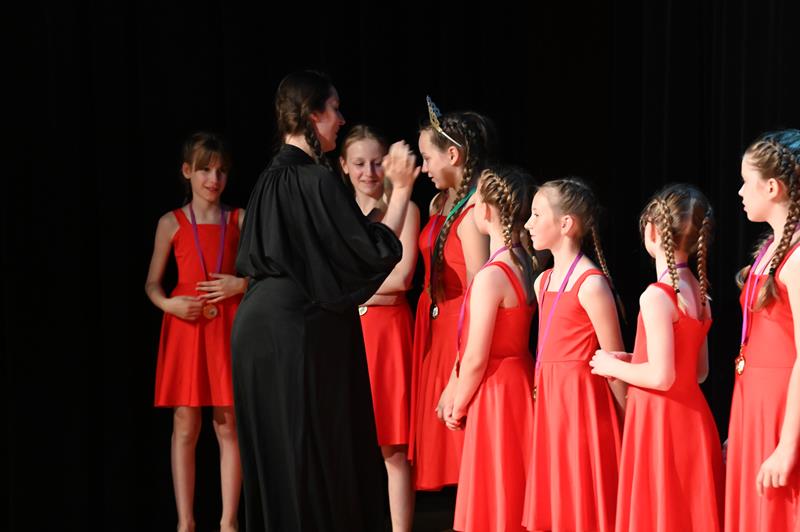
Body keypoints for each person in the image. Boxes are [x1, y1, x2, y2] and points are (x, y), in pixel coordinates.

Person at [231, 70, 419, 531]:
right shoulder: (314, 178)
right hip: (296, 329)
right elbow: (370, 253)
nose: (341, 118)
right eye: (334, 109)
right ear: (313, 114)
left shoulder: (267, 179)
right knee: (312, 452)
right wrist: (402, 190)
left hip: (255, 328)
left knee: (278, 456)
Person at [590, 183, 723, 531]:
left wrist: (611, 365)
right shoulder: (701, 295)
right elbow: (697, 372)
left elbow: (662, 377)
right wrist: (633, 358)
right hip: (694, 421)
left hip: (661, 423)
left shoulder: (656, 296)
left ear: (652, 230)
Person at [144, 131, 245, 532]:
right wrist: (168, 304)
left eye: (221, 171)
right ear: (187, 171)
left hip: (226, 326)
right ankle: (185, 522)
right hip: (186, 327)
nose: (213, 179)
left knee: (228, 423)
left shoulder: (239, 219)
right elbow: (152, 284)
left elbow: (266, 273)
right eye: (205, 170)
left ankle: (228, 522)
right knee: (186, 424)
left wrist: (240, 283)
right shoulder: (171, 222)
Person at [521, 177, 626, 532]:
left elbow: (614, 361)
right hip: (552, 405)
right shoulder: (542, 281)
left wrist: (627, 420)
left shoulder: (591, 284)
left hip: (584, 409)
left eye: (537, 215)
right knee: (559, 498)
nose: (528, 224)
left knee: (584, 497)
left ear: (565, 223)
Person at [442, 166, 538, 532]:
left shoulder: (491, 276)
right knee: (514, 480)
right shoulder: (524, 263)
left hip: (496, 390)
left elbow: (476, 357)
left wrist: (458, 403)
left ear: (484, 210)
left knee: (497, 486)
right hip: (520, 379)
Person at [339, 124, 420, 532]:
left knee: (394, 448)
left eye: (376, 163)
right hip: (347, 334)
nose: (368, 172)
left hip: (388, 335)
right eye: (359, 163)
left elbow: (402, 278)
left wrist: (349, 290)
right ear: (343, 165)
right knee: (346, 444)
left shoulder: (405, 208)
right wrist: (363, 291)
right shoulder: (338, 212)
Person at [410, 97, 492, 491]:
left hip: (460, 328)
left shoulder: (474, 210)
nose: (424, 168)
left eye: (428, 158)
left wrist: (462, 363)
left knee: (464, 449)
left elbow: (480, 290)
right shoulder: (439, 202)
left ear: (453, 155)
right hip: (435, 326)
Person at [725, 129, 800, 531]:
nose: (739, 191)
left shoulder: (797, 258)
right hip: (753, 401)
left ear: (772, 187)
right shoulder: (771, 247)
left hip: (782, 406)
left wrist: (787, 445)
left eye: (745, 181)